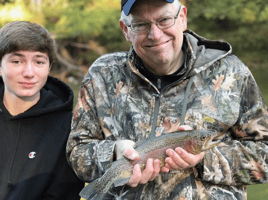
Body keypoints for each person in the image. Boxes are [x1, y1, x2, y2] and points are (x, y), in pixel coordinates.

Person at [66, 0, 268, 199]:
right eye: (140, 25)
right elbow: (76, 152)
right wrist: (115, 153)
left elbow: (264, 157)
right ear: (125, 30)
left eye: (164, 20)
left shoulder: (232, 73)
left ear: (182, 18)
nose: (155, 34)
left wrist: (204, 159)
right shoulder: (102, 75)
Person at [0, 21, 84, 200]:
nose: (29, 72)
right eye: (17, 61)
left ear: (49, 67)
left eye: (39, 61)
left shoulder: (68, 128)